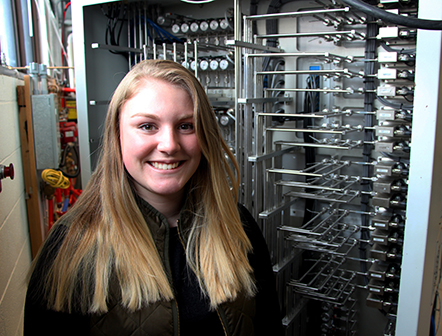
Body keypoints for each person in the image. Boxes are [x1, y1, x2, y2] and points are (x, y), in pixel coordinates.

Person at [24, 59, 282, 336]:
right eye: (147, 126)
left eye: (186, 126)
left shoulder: (237, 225)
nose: (169, 145)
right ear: (117, 134)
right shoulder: (71, 247)